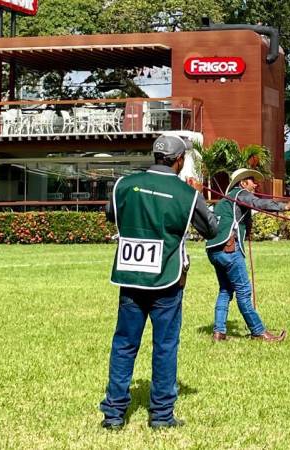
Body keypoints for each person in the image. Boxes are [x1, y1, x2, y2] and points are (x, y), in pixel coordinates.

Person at [100, 134, 218, 430]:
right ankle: (162, 416)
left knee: (124, 344)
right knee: (165, 345)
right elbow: (212, 230)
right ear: (179, 161)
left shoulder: (124, 185)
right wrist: (197, 196)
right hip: (167, 278)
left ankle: (113, 415)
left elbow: (111, 215)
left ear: (155, 156)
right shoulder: (185, 193)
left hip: (130, 277)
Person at [206, 168, 290, 342]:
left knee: (225, 290)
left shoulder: (226, 200)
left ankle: (219, 332)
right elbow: (258, 203)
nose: (255, 184)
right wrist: (285, 206)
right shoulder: (241, 194)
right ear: (242, 183)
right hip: (230, 250)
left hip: (214, 250)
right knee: (243, 293)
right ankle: (258, 332)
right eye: (252, 180)